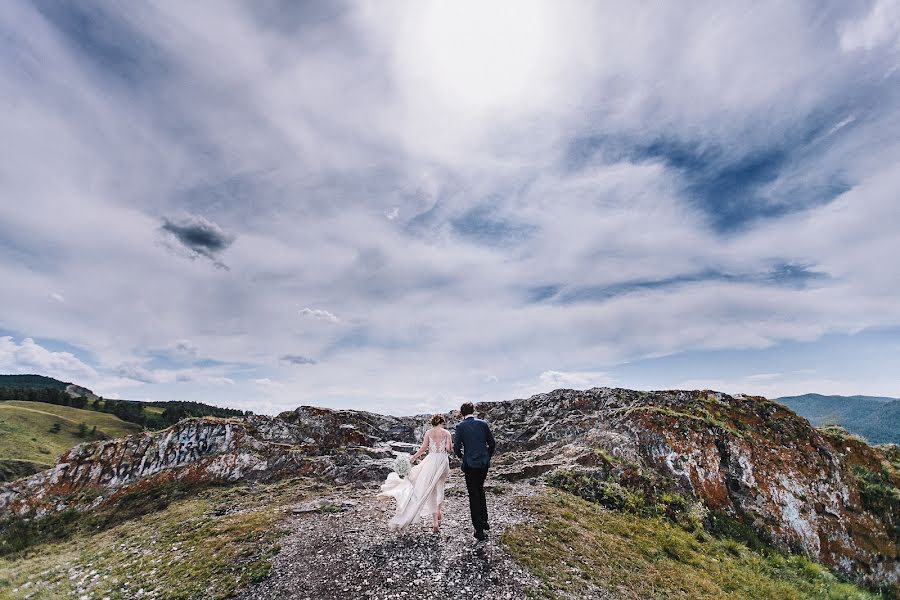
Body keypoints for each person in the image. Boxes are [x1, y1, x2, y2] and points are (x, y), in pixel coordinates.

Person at [378, 414, 451, 533]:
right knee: (440, 487)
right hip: (443, 461)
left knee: (430, 490)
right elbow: (448, 448)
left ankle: (435, 523)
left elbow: (423, 448)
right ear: (442, 422)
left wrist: (413, 458)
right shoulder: (446, 433)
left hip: (431, 461)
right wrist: (445, 445)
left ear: (432, 423)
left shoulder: (428, 433)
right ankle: (439, 510)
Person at [453, 401, 496, 541]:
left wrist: (463, 457)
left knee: (473, 495)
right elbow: (492, 443)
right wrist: (487, 456)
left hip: (470, 464)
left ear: (462, 412)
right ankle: (485, 521)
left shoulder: (460, 426)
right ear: (473, 410)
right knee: (480, 490)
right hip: (483, 463)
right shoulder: (483, 424)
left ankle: (479, 530)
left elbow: (456, 447)